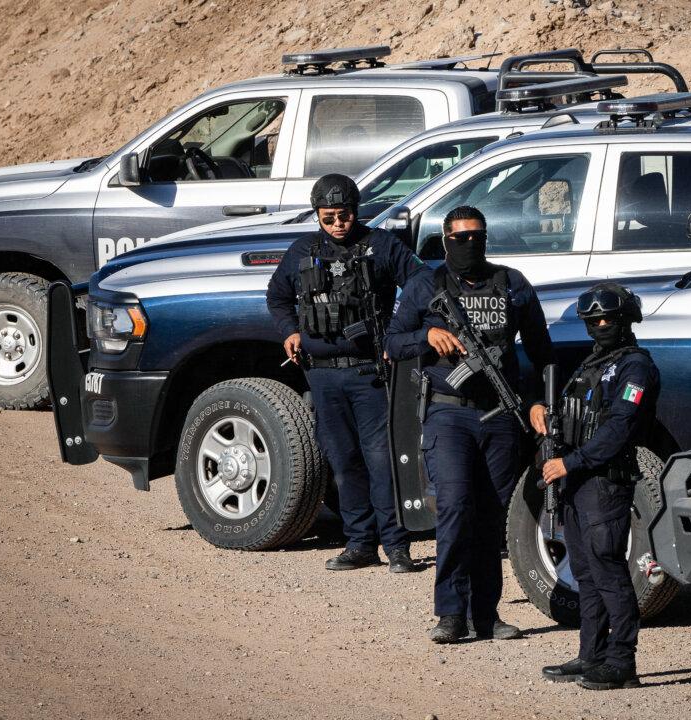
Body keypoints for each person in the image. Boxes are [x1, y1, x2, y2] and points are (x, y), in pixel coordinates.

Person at [384, 205, 554, 643]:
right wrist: (427, 336)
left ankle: (486, 615)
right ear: (446, 240)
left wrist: (538, 401)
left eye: (477, 236)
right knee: (456, 507)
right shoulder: (426, 285)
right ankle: (450, 614)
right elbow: (393, 343)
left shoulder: (512, 283)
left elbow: (541, 351)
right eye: (460, 238)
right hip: (449, 412)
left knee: (491, 516)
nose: (469, 244)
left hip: (500, 415)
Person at [266, 173, 426, 574]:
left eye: (345, 215)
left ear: (356, 211)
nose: (338, 223)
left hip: (370, 374)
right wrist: (290, 331)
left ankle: (397, 546)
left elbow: (421, 284)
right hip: (322, 377)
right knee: (343, 461)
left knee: (382, 462)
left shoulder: (381, 245)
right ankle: (360, 544)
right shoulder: (303, 250)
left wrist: (397, 333)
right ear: (317, 215)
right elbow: (277, 296)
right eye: (329, 217)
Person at [539, 283, 660, 690]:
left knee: (608, 571)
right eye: (593, 321)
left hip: (605, 481)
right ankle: (591, 654)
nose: (600, 326)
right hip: (576, 481)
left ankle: (622, 661)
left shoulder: (635, 367)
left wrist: (570, 462)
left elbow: (620, 427)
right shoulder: (592, 364)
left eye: (607, 319)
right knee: (585, 573)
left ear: (625, 320)